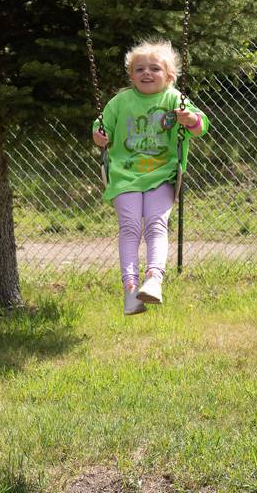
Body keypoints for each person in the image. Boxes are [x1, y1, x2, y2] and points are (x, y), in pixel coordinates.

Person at [92, 39, 209, 316]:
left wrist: (190, 120)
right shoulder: (120, 101)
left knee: (156, 225)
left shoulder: (174, 99)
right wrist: (99, 135)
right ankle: (130, 289)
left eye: (155, 68)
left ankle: (154, 279)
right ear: (131, 76)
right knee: (130, 227)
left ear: (169, 75)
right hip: (125, 175)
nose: (147, 73)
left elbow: (200, 126)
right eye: (140, 69)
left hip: (162, 175)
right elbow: (101, 126)